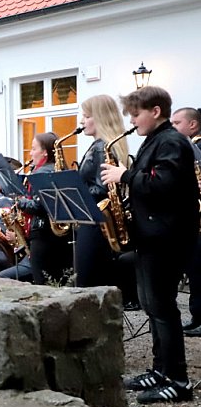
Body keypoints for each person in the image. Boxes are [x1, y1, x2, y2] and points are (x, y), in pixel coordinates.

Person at [101, 86, 198, 403]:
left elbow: (163, 184)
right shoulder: (156, 140)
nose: (132, 120)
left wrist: (124, 175)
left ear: (155, 111)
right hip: (151, 235)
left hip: (166, 237)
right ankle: (161, 371)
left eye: (135, 114)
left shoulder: (171, 141)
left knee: (163, 309)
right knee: (153, 307)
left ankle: (178, 381)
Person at [75, 94, 131, 288]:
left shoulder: (101, 148)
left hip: (95, 223)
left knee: (87, 284)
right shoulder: (102, 146)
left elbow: (102, 189)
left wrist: (76, 192)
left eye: (86, 115)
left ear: (99, 117)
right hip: (100, 222)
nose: (82, 121)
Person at [13, 132, 72, 284]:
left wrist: (19, 200)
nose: (31, 153)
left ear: (45, 152)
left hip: (42, 234)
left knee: (42, 281)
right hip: (57, 235)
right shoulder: (58, 169)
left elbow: (39, 206)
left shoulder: (42, 172)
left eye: (33, 149)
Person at [171, 107, 201, 336]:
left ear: (192, 125)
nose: (172, 127)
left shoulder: (196, 147)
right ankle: (197, 316)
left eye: (177, 123)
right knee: (195, 270)